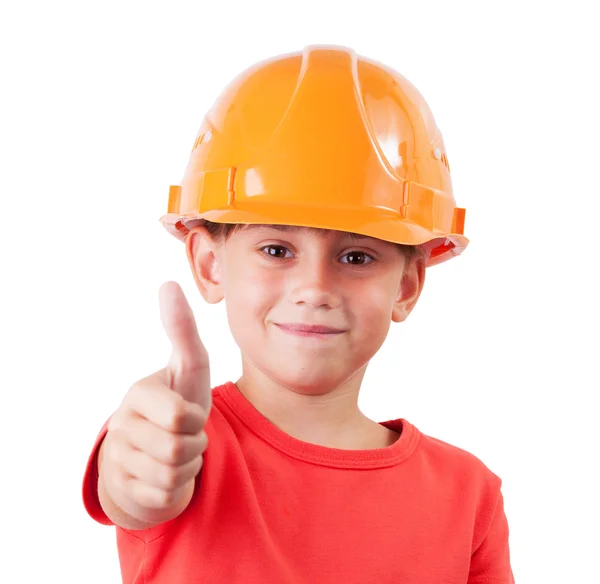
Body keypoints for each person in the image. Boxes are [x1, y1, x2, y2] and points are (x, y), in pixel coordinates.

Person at [81, 45, 514, 583]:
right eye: (277, 250)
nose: (314, 288)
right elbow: (133, 488)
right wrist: (136, 472)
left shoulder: (468, 494)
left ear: (407, 282)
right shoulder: (177, 438)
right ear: (211, 263)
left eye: (356, 257)